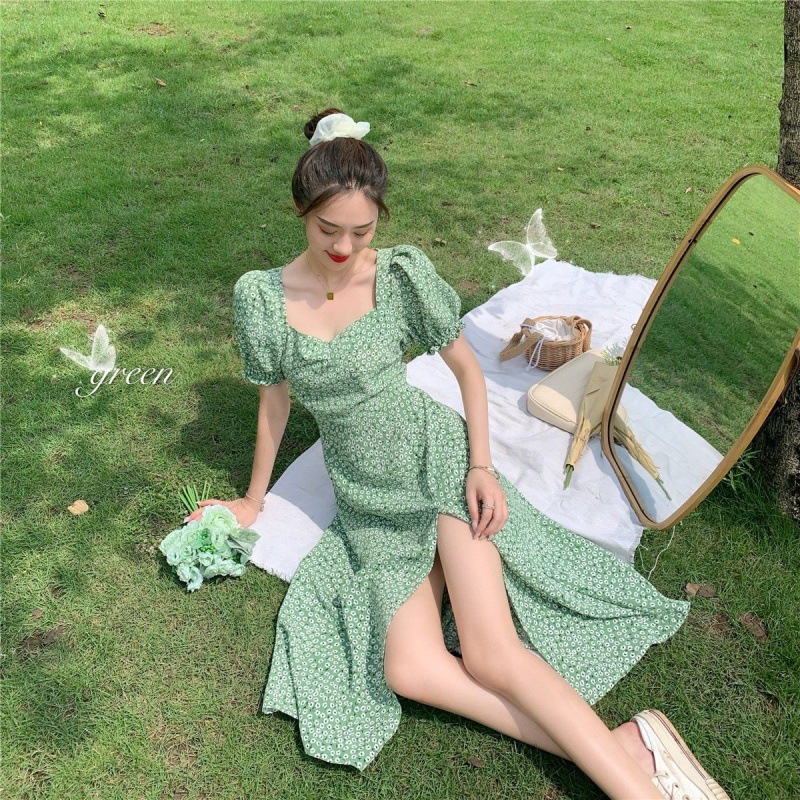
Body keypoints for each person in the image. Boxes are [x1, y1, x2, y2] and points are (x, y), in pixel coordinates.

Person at [185, 109, 731, 800]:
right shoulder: (262, 299)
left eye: (362, 231)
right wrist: (252, 499)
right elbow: (275, 404)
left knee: (491, 656)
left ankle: (638, 792)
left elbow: (468, 371)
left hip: (435, 460)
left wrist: (480, 466)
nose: (345, 247)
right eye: (328, 230)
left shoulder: (399, 277)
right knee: (409, 670)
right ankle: (627, 747)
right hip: (370, 504)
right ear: (302, 211)